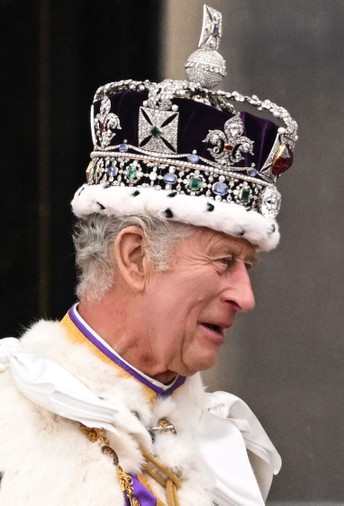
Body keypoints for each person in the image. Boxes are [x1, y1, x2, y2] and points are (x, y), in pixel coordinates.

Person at [0, 6, 295, 505]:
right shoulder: (10, 417)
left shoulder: (224, 449)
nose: (246, 297)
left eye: (248, 267)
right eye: (224, 262)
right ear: (136, 256)